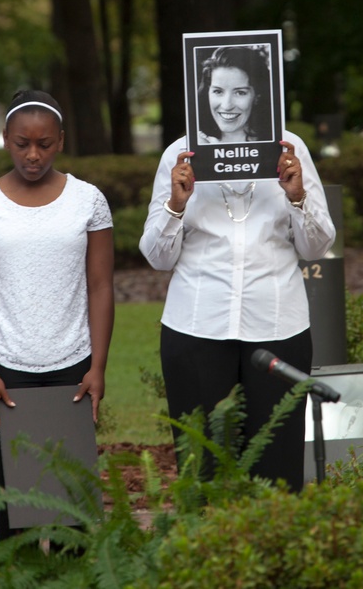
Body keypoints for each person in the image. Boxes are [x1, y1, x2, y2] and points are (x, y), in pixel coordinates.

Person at [139, 127, 335, 491]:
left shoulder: (290, 150)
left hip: (278, 324)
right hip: (197, 324)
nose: (228, 103)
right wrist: (175, 206)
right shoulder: (180, 154)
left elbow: (316, 248)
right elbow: (157, 257)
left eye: (241, 91)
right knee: (202, 471)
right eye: (218, 91)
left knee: (276, 472)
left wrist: (297, 197)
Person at [0, 89, 114, 539]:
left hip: (74, 364)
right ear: (6, 138)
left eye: (44, 144)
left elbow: (102, 286)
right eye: (22, 143)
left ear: (60, 141)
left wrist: (97, 366)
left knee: (73, 498)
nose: (32, 154)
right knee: (17, 497)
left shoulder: (88, 200)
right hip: (8, 368)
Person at [197, 45, 274, 144]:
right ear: (208, 91)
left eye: (240, 93)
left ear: (257, 97)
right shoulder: (183, 148)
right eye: (218, 91)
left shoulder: (285, 144)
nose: (227, 106)